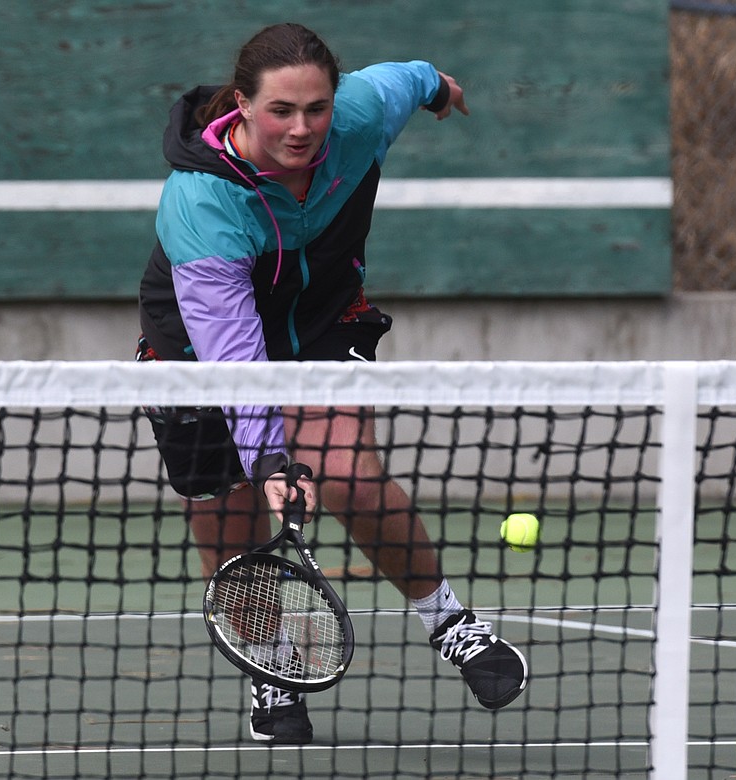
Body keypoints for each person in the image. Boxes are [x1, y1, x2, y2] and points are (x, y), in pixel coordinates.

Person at [135, 22, 528, 745]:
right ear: (244, 106)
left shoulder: (357, 114)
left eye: (315, 108)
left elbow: (407, 76)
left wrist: (438, 86)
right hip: (198, 350)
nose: (302, 127)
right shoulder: (202, 202)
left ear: (335, 99)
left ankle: (449, 622)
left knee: (348, 473)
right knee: (230, 527)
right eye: (281, 111)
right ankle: (273, 664)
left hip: (320, 323)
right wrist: (270, 462)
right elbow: (234, 357)